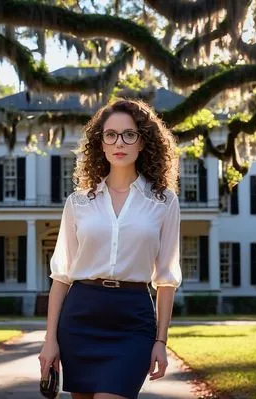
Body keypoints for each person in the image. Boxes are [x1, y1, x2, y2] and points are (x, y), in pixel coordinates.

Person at [38, 98, 183, 399]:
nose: (120, 142)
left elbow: (166, 277)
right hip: (81, 317)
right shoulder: (79, 202)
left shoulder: (163, 201)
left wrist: (161, 341)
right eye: (110, 134)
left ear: (143, 142)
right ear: (100, 143)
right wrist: (50, 339)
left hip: (132, 319)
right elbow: (62, 275)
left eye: (129, 134)